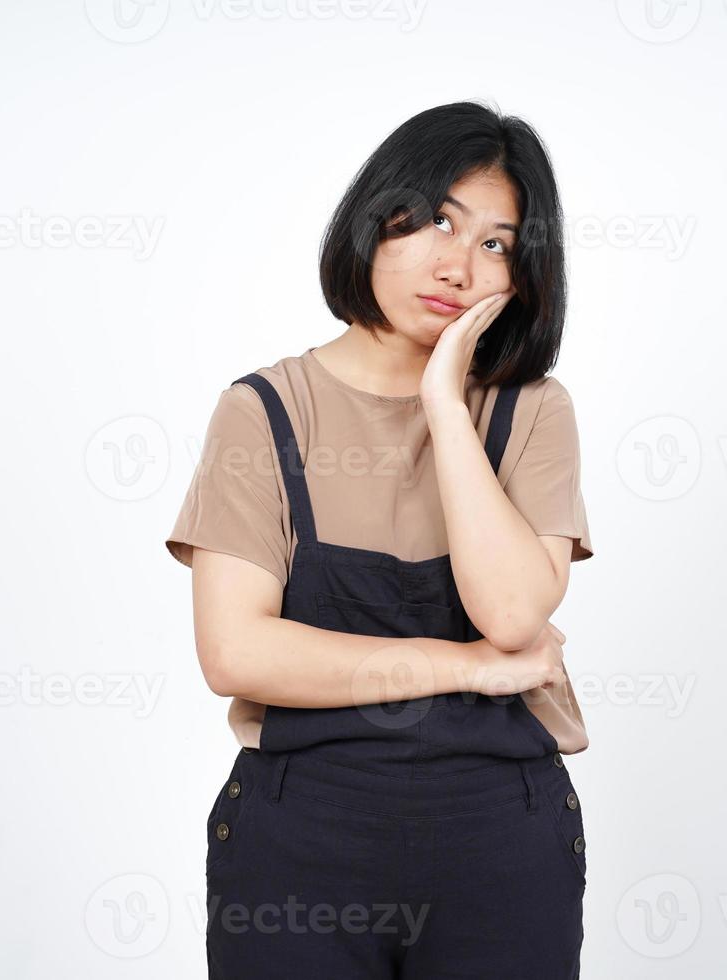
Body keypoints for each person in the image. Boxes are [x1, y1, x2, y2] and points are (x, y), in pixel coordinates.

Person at [164, 100, 595, 978]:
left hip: (501, 845)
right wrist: (468, 668)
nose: (458, 265)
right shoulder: (263, 413)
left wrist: (444, 400)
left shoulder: (530, 412)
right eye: (440, 219)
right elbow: (236, 652)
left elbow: (512, 614)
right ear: (377, 216)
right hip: (299, 847)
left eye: (496, 244)